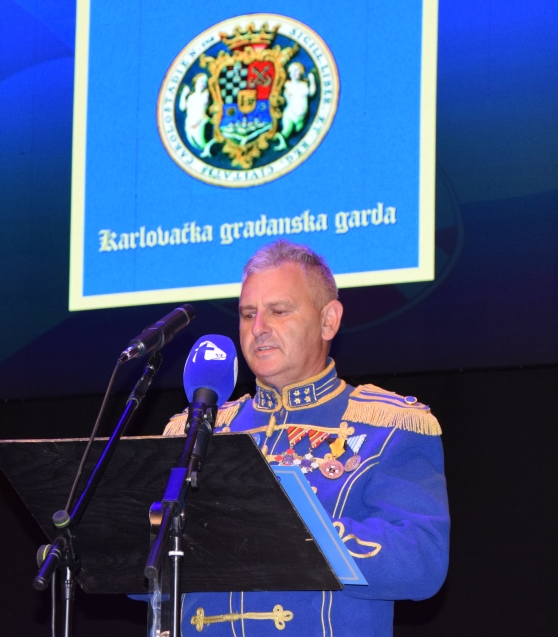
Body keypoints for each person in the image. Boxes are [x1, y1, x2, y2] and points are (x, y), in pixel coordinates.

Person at [163, 239, 449, 636]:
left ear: (328, 320)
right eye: (248, 314)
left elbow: (421, 561)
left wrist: (289, 529)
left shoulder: (387, 426)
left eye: (279, 311)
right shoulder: (197, 431)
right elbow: (137, 575)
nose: (258, 328)